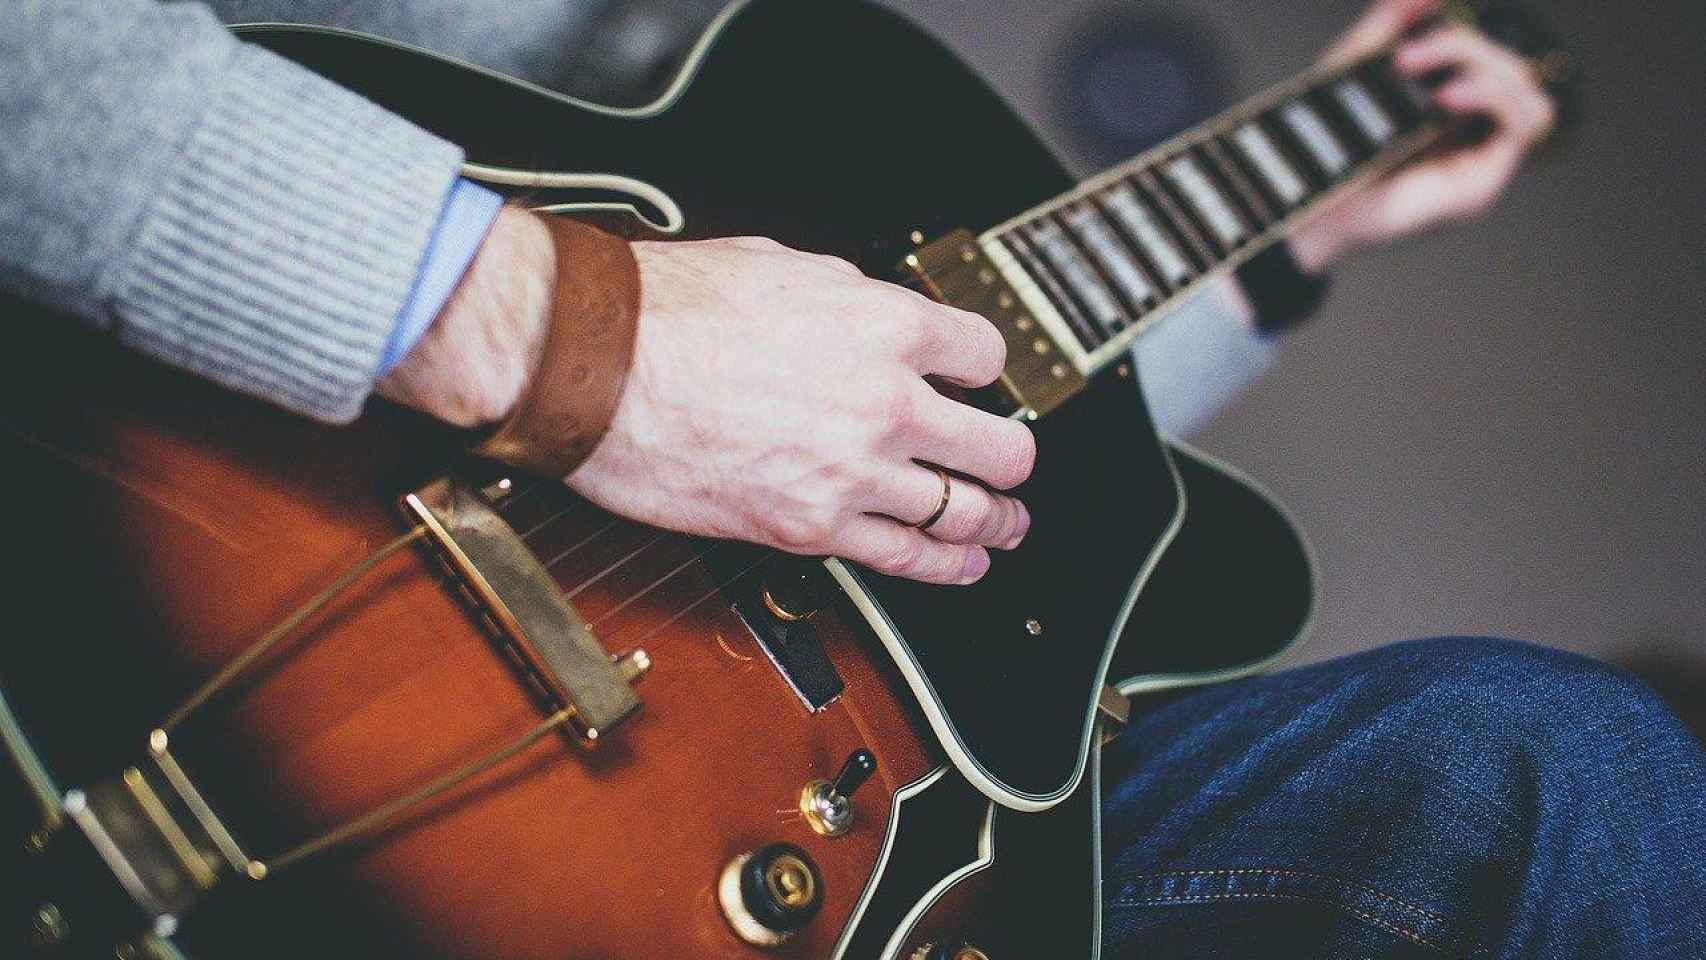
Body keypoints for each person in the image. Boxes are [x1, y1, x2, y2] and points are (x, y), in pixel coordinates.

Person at [3, 0, 1701, 956]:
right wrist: (577, 342)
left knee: (1563, 765)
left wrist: (1299, 215)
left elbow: (951, 402)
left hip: (773, 741)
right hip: (214, 513)